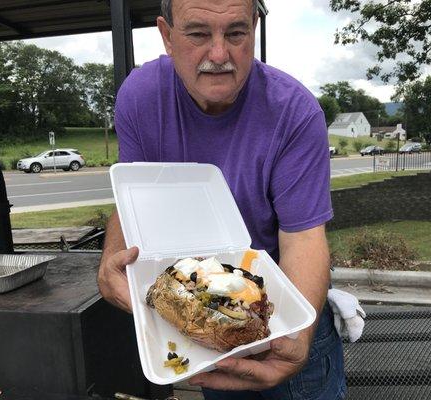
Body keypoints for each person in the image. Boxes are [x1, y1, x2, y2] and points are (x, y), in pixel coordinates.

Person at [97, 0, 346, 399]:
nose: (219, 55)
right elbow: (133, 197)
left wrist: (295, 341)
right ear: (167, 36)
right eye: (198, 34)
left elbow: (303, 237)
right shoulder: (140, 98)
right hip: (200, 317)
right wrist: (111, 259)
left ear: (254, 27)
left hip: (285, 310)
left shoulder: (294, 112)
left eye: (235, 33)